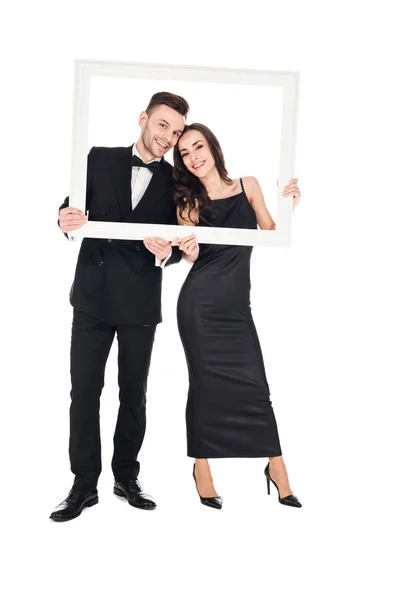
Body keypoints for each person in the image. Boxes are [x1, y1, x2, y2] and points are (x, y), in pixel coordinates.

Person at [50, 92, 189, 522]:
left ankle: (126, 476)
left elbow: (184, 244)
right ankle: (82, 484)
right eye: (163, 125)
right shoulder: (98, 157)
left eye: (178, 131)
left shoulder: (178, 181)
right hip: (92, 295)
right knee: (84, 392)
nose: (169, 137)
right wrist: (63, 219)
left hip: (140, 300)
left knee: (134, 394)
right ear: (144, 118)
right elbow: (69, 207)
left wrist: (168, 251)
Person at [171, 123, 302, 509]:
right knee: (204, 385)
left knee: (256, 386)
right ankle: (202, 466)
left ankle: (276, 467)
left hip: (236, 307)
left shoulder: (248, 186)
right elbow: (190, 256)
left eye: (198, 147)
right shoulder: (187, 201)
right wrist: (188, 250)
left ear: (213, 147)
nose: (193, 157)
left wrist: (289, 205)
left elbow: (271, 231)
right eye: (184, 153)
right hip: (199, 305)